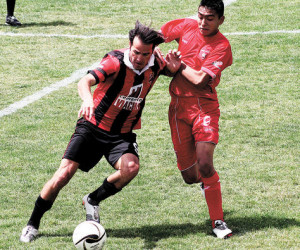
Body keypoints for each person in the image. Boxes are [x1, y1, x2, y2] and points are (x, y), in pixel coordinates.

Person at [20, 20, 181, 243]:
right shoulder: (115, 61)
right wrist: (88, 99)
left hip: (121, 134)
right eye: (135, 52)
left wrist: (172, 70)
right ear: (129, 46)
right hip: (92, 127)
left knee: (131, 168)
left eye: (145, 54)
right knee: (64, 175)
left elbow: (169, 70)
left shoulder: (156, 63)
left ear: (152, 51)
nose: (139, 58)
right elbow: (85, 81)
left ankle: (92, 200)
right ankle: (32, 223)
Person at [160, 0, 233, 239]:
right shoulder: (186, 26)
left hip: (204, 109)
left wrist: (177, 66)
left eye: (209, 18)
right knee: (190, 176)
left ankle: (218, 221)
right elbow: (156, 37)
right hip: (178, 109)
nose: (203, 22)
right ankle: (209, 184)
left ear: (221, 20)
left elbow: (200, 78)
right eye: (200, 16)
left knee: (204, 163)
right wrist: (156, 60)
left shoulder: (222, 46)